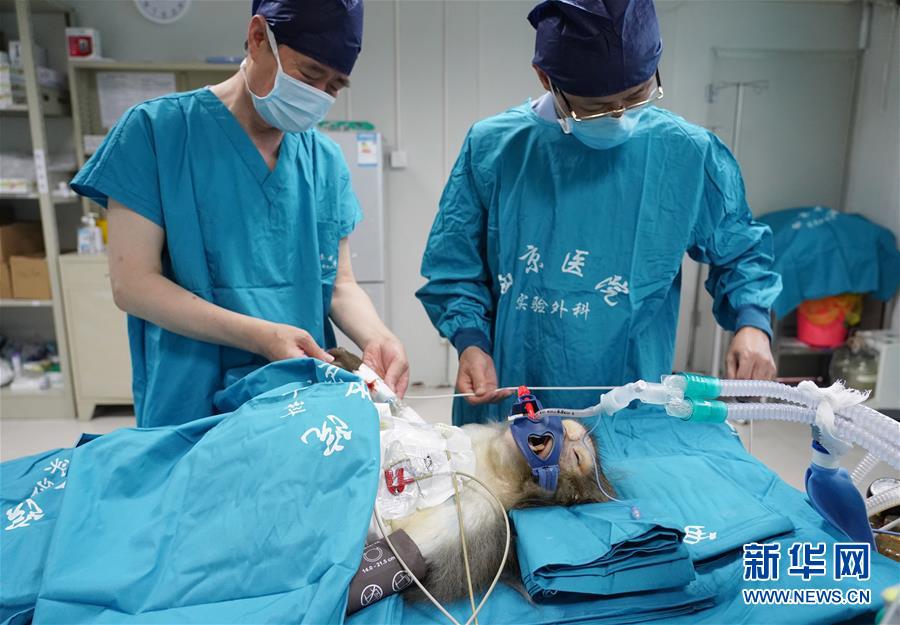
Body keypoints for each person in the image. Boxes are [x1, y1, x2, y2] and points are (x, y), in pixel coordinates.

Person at [416, 0, 782, 425]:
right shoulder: (494, 147)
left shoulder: (687, 152)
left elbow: (740, 249)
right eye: (596, 106)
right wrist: (471, 342)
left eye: (637, 95)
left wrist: (752, 323)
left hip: (630, 402)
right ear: (546, 78)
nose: (620, 116)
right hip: (509, 389)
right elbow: (454, 265)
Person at [71, 0, 408, 427]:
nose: (319, 95)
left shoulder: (322, 159)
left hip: (298, 400)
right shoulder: (156, 132)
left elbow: (339, 284)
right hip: (190, 396)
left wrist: (378, 336)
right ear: (257, 37)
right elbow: (133, 284)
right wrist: (260, 335)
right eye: (310, 74)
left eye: (335, 86)